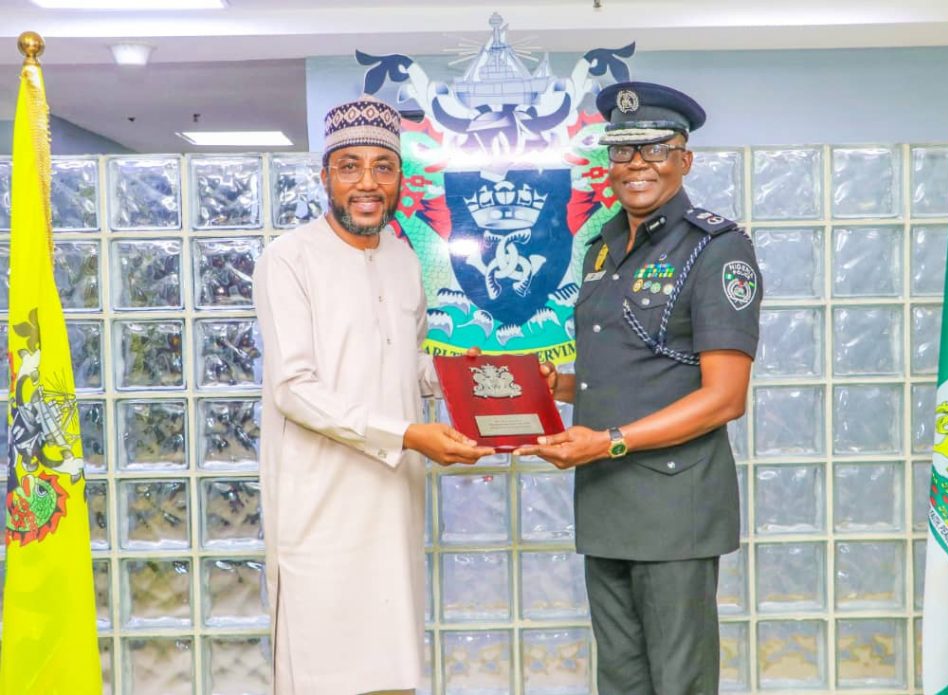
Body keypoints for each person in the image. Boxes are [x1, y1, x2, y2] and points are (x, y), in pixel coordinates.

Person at [517, 81, 762, 694]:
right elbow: (632, 366)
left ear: (685, 159)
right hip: (606, 502)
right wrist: (557, 385)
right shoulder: (603, 247)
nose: (636, 165)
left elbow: (725, 397)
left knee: (677, 681)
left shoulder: (716, 248)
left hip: (674, 506)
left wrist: (607, 442)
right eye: (622, 151)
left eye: (654, 149)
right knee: (622, 680)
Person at [253, 94, 494, 695]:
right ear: (326, 176)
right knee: (324, 675)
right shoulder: (289, 259)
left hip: (393, 499)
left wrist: (457, 373)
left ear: (400, 179)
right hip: (320, 507)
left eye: (382, 167)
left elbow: (403, 362)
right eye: (350, 166)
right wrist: (409, 434)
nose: (367, 182)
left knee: (392, 673)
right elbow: (294, 390)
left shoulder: (402, 258)